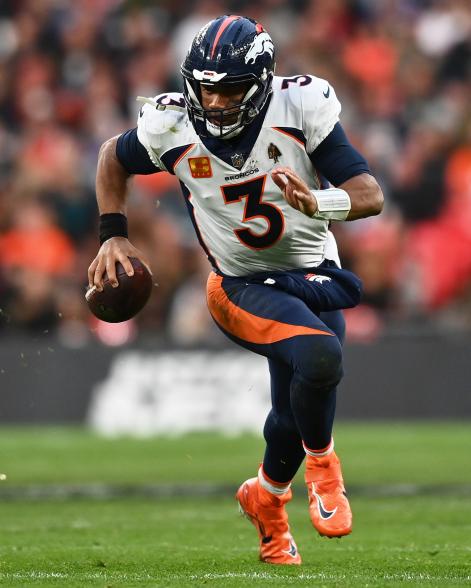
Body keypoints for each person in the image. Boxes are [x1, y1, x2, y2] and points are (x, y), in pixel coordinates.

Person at [88, 15, 383, 565]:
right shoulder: (171, 126)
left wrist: (321, 202)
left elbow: (369, 194)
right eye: (205, 89)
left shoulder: (300, 108)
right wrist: (112, 236)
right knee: (320, 357)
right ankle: (325, 467)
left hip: (312, 272)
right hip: (240, 283)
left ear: (262, 83)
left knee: (292, 414)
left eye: (229, 90)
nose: (216, 102)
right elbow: (112, 156)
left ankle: (266, 500)